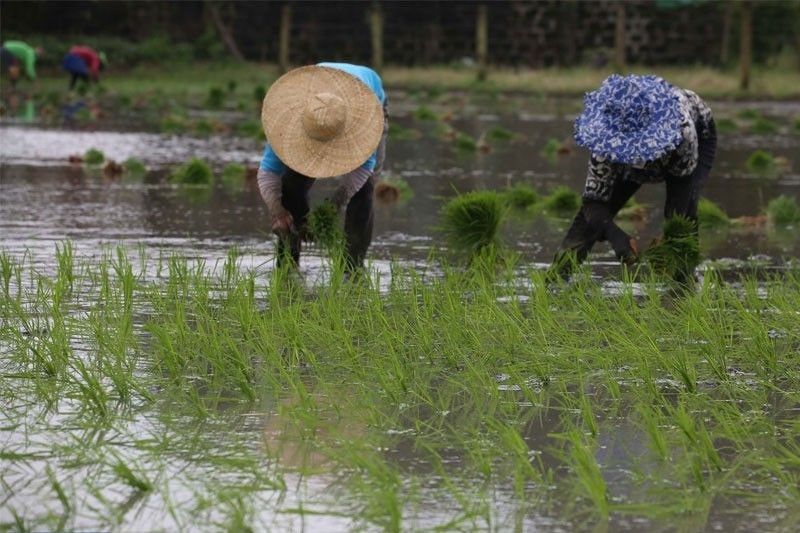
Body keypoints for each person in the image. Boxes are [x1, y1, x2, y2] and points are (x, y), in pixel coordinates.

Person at [550, 74, 716, 280]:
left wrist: (666, 239)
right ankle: (555, 280)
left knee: (681, 225)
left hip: (699, 135)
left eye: (638, 150)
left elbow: (678, 200)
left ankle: (685, 285)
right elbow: (593, 204)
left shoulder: (682, 134)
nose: (635, 157)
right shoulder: (605, 140)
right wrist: (615, 236)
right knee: (587, 223)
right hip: (627, 156)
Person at [257, 63, 388, 271]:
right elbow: (267, 173)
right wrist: (278, 212)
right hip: (313, 103)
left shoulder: (365, 125)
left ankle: (352, 267)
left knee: (364, 192)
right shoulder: (288, 121)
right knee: (291, 184)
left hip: (371, 101)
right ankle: (288, 262)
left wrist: (334, 205)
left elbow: (363, 170)